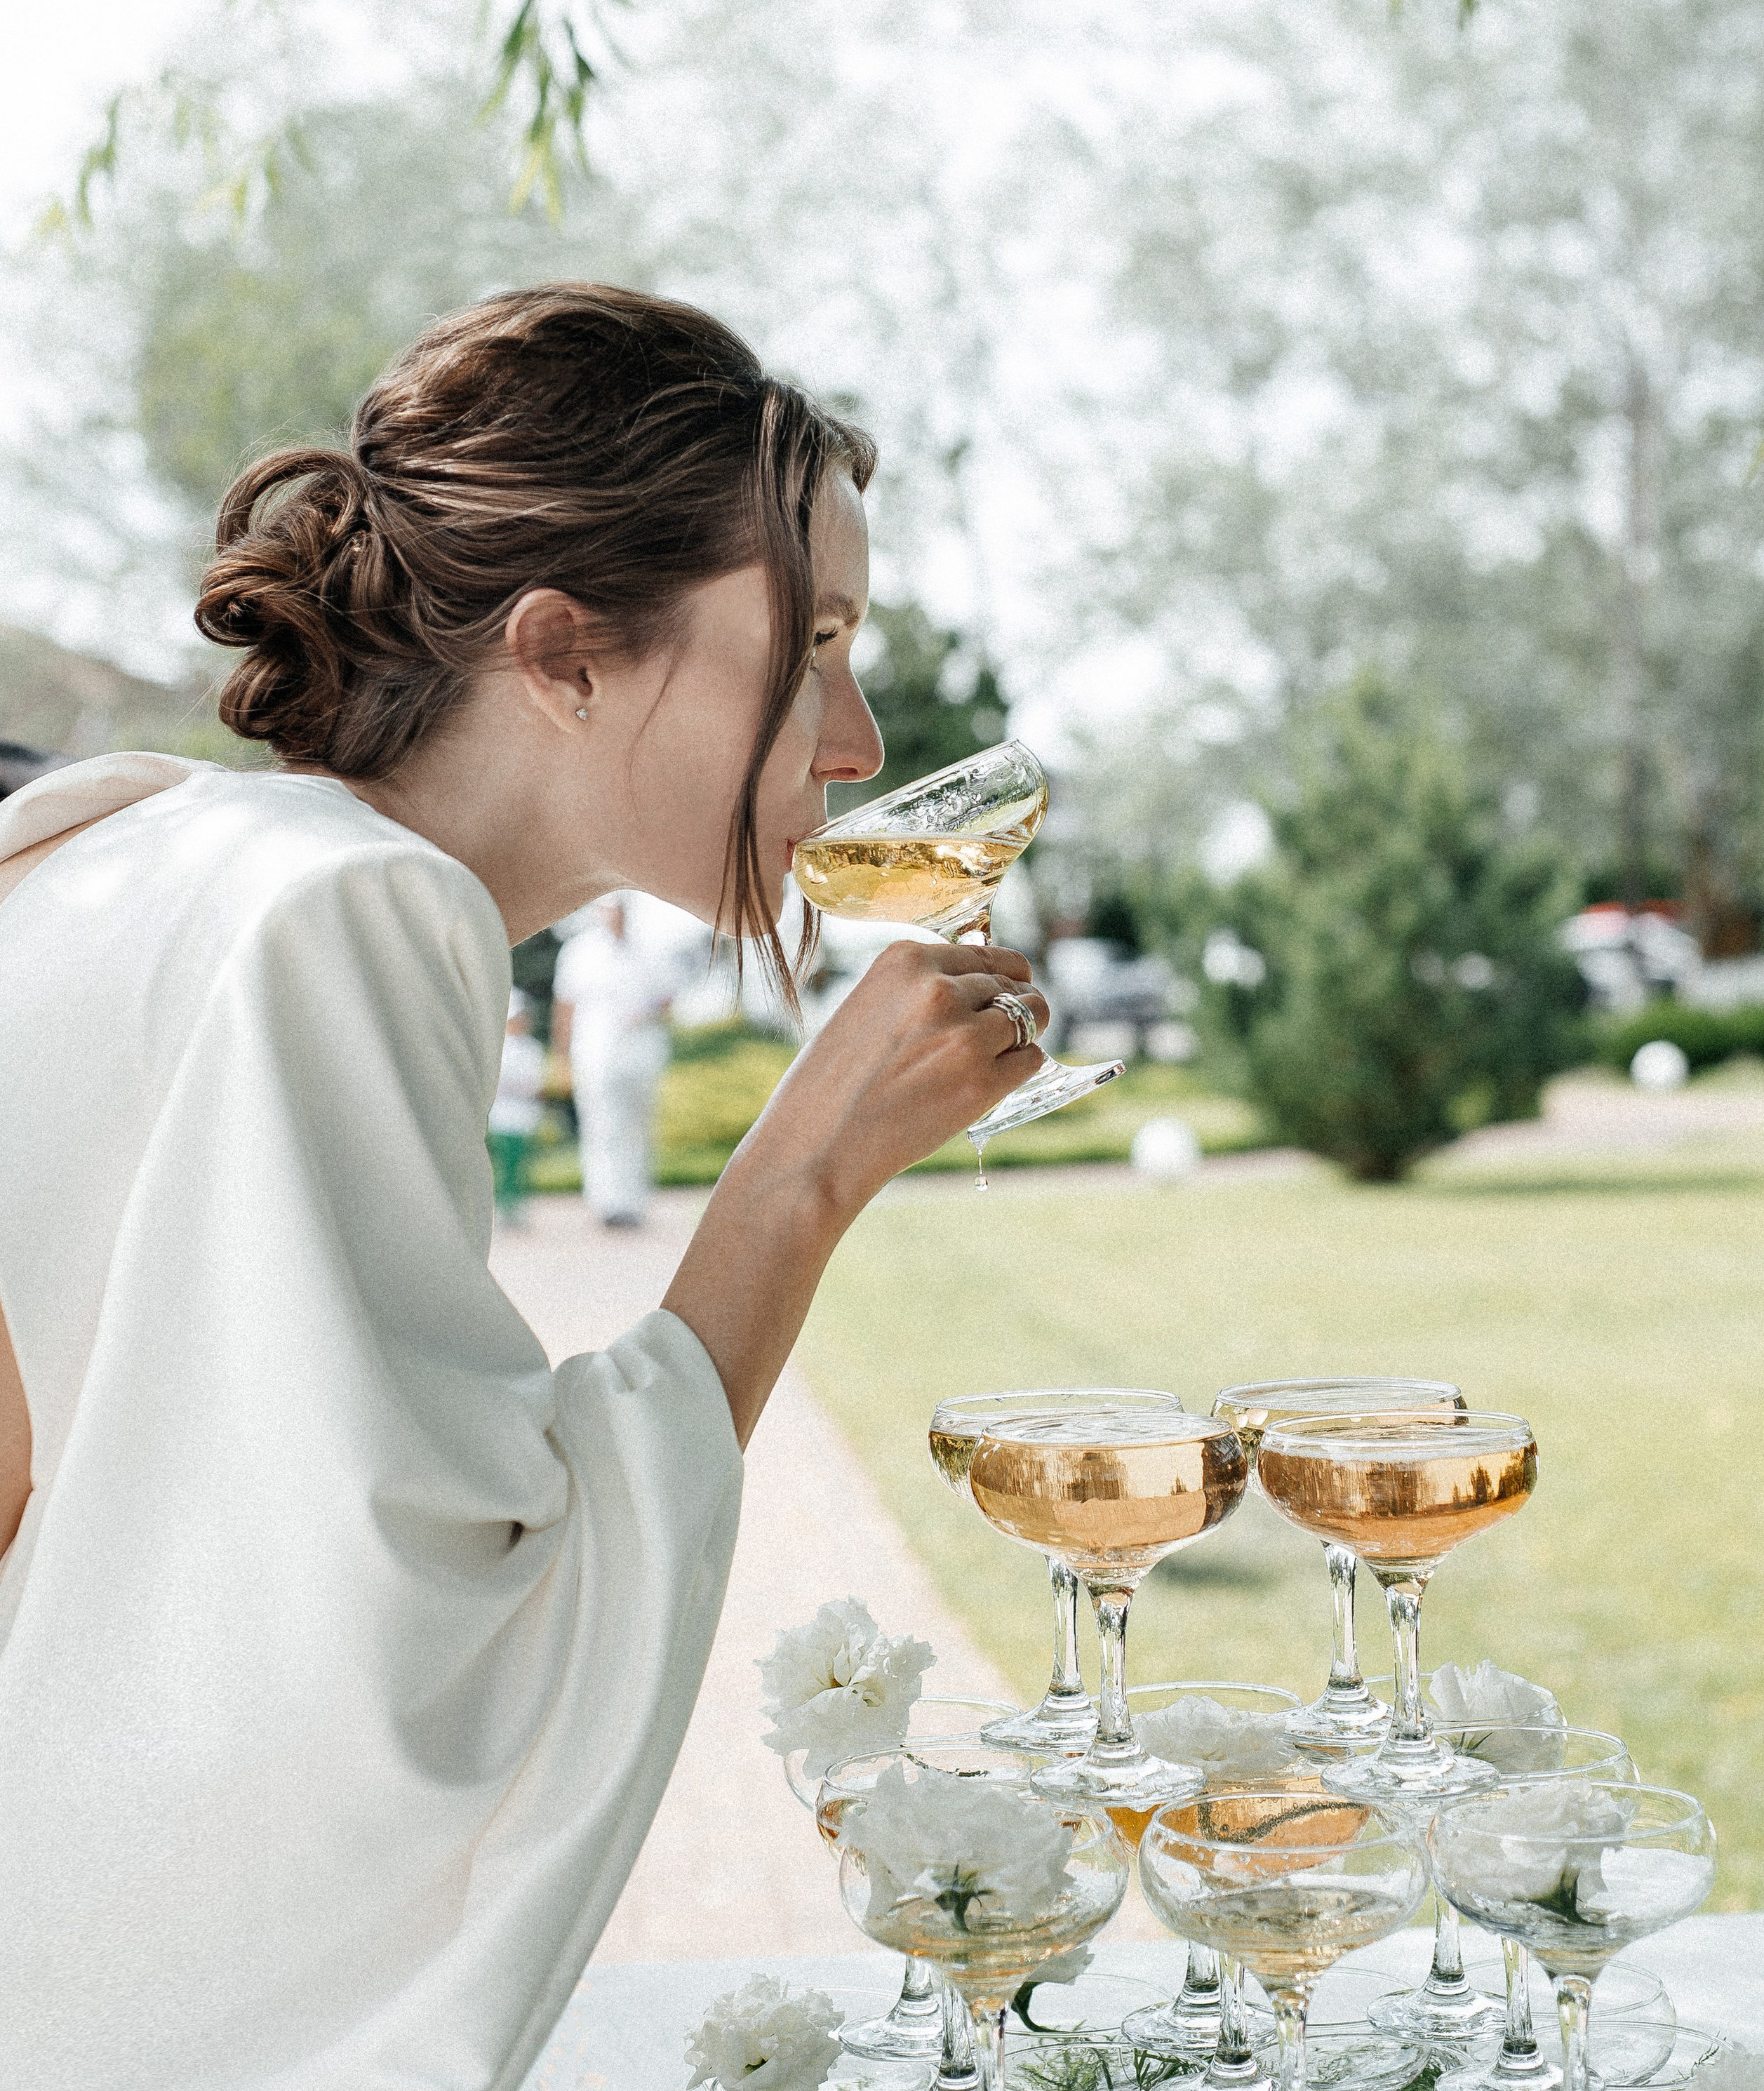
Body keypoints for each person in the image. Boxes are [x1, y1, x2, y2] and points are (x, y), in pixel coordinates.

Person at [0, 284, 1049, 2091]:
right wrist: (802, 1169)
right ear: (562, 648)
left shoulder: (141, 836)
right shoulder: (347, 911)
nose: (858, 736)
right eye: (810, 645)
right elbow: (407, 1656)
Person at [553, 897, 675, 1227]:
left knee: (637, 1127)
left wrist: (645, 1014)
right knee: (601, 1125)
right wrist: (560, 1057)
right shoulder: (578, 952)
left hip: (642, 1052)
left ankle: (633, 1202)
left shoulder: (651, 949)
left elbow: (667, 1001)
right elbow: (565, 1007)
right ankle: (606, 1203)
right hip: (595, 1053)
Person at [488, 986, 548, 1221]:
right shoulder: (499, 1047)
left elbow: (536, 1083)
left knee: (521, 1163)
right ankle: (505, 1206)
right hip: (503, 1112)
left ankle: (519, 1206)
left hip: (524, 1113)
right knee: (504, 1164)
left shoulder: (532, 1048)